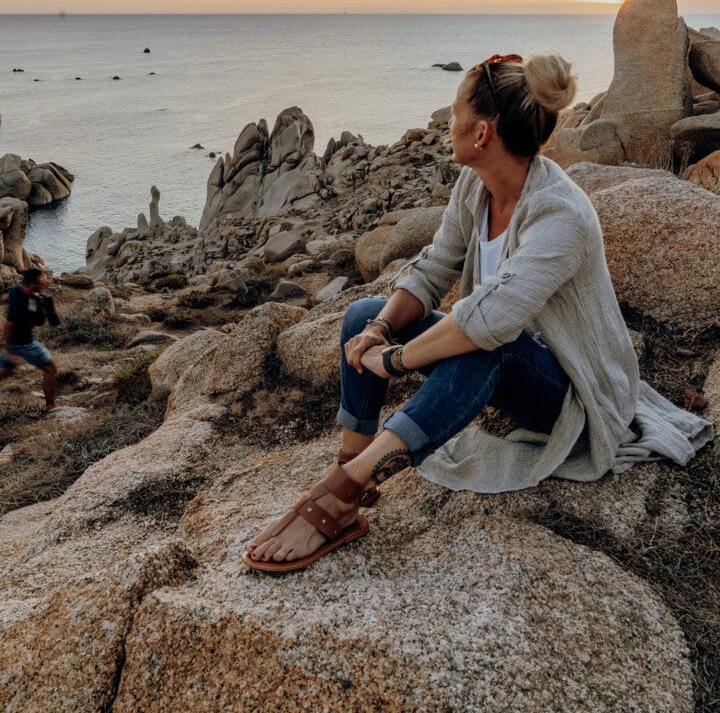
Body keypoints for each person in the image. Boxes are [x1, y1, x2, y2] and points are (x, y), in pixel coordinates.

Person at [243, 53, 713, 573]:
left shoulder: (561, 215)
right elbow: (433, 267)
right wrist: (379, 330)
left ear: (483, 133)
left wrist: (395, 360)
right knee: (361, 314)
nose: (448, 123)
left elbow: (487, 323)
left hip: (577, 398)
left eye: (454, 112)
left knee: (488, 344)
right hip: (513, 359)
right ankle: (349, 470)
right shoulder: (477, 188)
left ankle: (340, 493)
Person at [0, 267, 58, 412]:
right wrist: (11, 351)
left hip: (17, 344)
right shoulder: (22, 303)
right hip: (24, 344)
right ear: (33, 282)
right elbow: (8, 326)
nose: (44, 284)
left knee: (3, 372)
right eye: (42, 281)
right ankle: (51, 406)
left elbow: (4, 297)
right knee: (51, 369)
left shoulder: (18, 290)